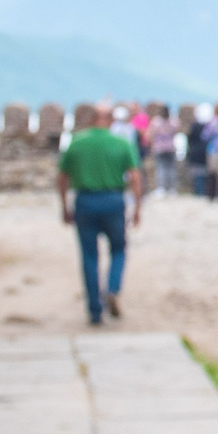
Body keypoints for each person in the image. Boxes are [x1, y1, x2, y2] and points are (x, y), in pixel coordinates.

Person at [56, 102, 143, 327]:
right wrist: (137, 208)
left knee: (89, 256)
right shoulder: (122, 143)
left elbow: (63, 178)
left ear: (91, 119)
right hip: (113, 200)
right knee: (118, 249)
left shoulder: (76, 143)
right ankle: (113, 288)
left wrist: (64, 206)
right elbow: (135, 178)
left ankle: (94, 310)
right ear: (112, 120)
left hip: (84, 200)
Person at [148, 104, 179, 195]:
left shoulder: (156, 122)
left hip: (160, 148)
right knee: (171, 169)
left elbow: (151, 133)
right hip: (170, 148)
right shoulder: (173, 121)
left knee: (161, 168)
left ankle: (161, 188)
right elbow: (177, 130)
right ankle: (172, 189)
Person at [184, 104, 209, 197]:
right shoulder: (208, 127)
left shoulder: (194, 126)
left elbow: (189, 139)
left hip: (195, 152)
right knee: (203, 173)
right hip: (205, 152)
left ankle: (198, 193)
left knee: (197, 174)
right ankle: (202, 192)